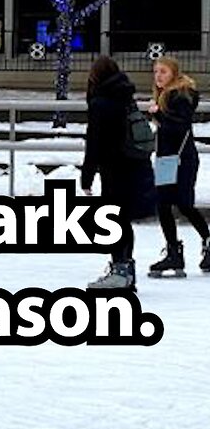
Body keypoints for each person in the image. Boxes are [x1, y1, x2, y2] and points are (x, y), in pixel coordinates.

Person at [80, 56, 155, 291]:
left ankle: (120, 270)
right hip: (134, 164)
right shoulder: (125, 97)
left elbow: (94, 142)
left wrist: (87, 176)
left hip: (114, 168)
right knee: (122, 219)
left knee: (114, 219)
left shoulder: (101, 103)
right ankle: (125, 269)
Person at [147, 55, 209, 277]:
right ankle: (173, 250)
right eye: (156, 72)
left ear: (174, 73)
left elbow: (179, 125)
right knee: (163, 204)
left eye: (163, 72)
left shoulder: (182, 95)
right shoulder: (164, 95)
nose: (158, 76)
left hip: (182, 159)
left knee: (184, 203)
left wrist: (158, 114)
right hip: (166, 159)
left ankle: (207, 240)